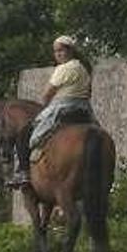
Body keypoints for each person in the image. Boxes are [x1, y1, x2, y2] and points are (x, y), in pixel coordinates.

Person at [6, 35, 96, 187]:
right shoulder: (84, 68)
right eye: (56, 51)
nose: (59, 54)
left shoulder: (63, 69)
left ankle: (24, 173)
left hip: (62, 107)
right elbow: (88, 92)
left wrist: (43, 108)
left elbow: (47, 94)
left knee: (26, 134)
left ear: (70, 51)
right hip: (84, 109)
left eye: (61, 50)